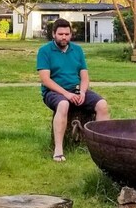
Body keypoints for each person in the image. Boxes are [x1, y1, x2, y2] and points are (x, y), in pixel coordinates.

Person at [38, 18, 110, 162]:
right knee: (63, 104)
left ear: (71, 34)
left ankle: (102, 146)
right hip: (54, 92)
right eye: (60, 34)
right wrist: (66, 94)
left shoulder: (77, 50)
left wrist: (82, 92)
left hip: (76, 90)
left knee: (102, 105)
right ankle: (59, 150)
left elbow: (84, 77)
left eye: (67, 34)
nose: (64, 37)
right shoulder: (44, 51)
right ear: (54, 34)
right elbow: (45, 79)